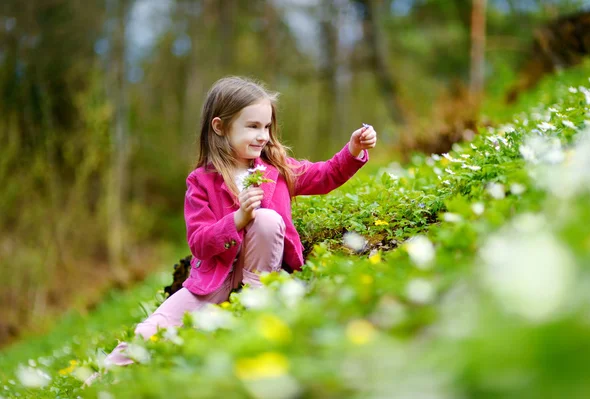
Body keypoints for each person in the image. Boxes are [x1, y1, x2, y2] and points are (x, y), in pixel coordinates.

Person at [86, 76, 376, 383]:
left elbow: (325, 175)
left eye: (266, 126)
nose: (263, 135)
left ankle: (254, 300)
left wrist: (353, 148)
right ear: (220, 127)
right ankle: (94, 385)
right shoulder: (201, 182)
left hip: (259, 274)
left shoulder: (276, 170)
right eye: (252, 126)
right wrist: (236, 220)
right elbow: (198, 243)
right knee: (150, 331)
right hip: (212, 280)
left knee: (267, 219)